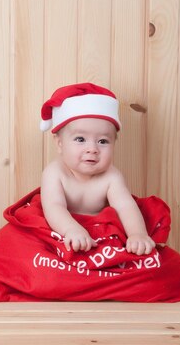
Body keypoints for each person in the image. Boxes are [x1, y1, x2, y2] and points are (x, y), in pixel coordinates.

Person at [39, 83, 155, 256]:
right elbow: (54, 207)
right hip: (62, 228)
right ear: (60, 143)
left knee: (147, 256)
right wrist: (71, 229)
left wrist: (137, 234)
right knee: (28, 247)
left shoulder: (111, 176)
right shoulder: (54, 172)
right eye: (80, 139)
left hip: (99, 231)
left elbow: (125, 206)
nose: (92, 149)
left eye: (102, 141)